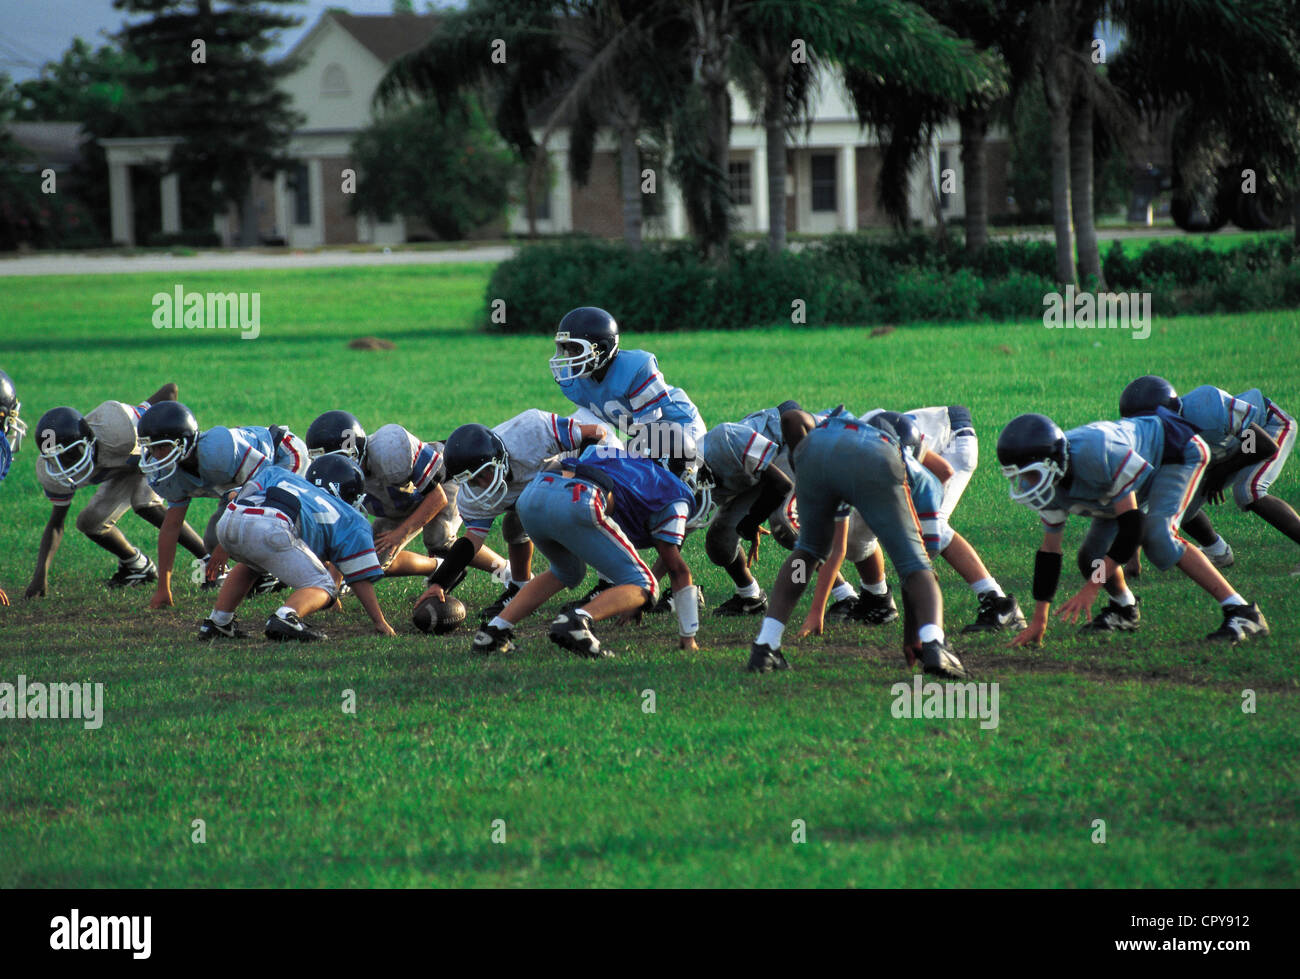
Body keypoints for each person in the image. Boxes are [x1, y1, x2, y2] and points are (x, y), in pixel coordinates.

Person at [997, 412, 1268, 645]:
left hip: (1174, 452)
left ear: (1053, 463)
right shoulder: (1052, 485)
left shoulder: (1098, 452)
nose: (1025, 485)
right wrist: (1038, 620)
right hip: (1124, 479)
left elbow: (1132, 528)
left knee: (1159, 537)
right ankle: (1125, 609)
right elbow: (1049, 553)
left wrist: (1093, 586)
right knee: (1092, 557)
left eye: (1029, 474)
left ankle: (1242, 611)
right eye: (1019, 476)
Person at [748, 408, 966, 678]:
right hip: (876, 462)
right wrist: (914, 637)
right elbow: (917, 571)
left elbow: (791, 417)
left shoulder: (841, 431)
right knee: (916, 565)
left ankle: (766, 645)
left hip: (816, 453)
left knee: (805, 555)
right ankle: (935, 643)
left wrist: (798, 459)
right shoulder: (919, 476)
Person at [471, 446, 701, 657]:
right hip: (578, 497)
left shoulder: (622, 459)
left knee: (566, 571)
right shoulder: (674, 494)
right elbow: (677, 569)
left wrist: (626, 600)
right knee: (645, 584)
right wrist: (688, 638)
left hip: (533, 495)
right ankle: (577, 622)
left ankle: (493, 632)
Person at [26, 385, 209, 597]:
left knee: (144, 502)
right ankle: (137, 567)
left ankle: (210, 561)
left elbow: (169, 391)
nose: (64, 465)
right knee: (89, 522)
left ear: (88, 441)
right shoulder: (51, 472)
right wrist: (40, 575)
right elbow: (56, 524)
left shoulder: (118, 428)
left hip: (149, 457)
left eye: (69, 455)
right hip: (122, 469)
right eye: (55, 459)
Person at [200, 456, 394, 641]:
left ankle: (218, 622)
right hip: (272, 527)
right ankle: (287, 617)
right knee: (324, 585)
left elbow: (235, 494)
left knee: (252, 564)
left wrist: (223, 545)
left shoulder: (280, 474)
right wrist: (380, 621)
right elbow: (360, 579)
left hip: (230, 518)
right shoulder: (350, 518)